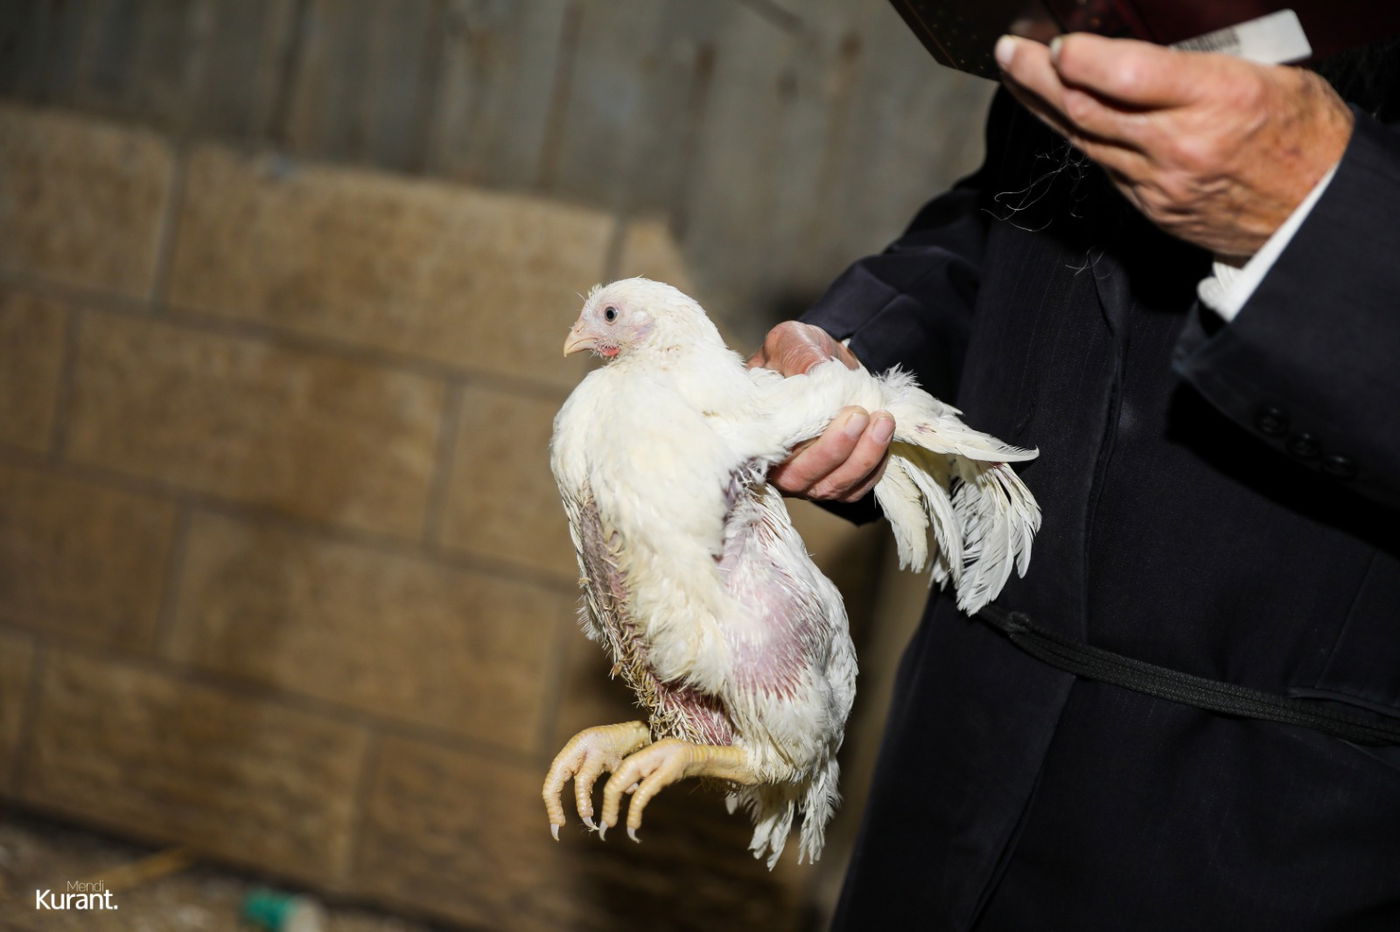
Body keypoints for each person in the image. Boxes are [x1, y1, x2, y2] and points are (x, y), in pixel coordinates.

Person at [748, 32, 1400, 930]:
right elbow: (1007, 218)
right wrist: (861, 367)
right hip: (950, 763)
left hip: (1269, 836)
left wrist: (1321, 205)